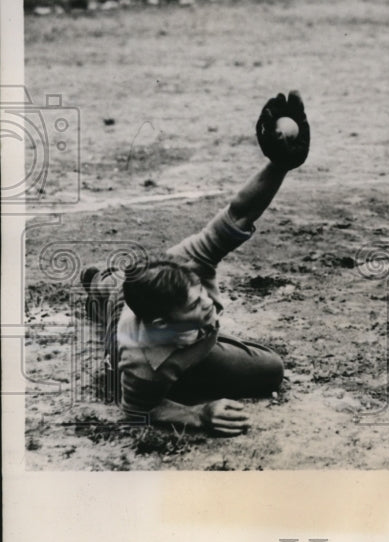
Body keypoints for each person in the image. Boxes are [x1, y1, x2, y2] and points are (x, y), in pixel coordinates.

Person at [81, 91, 311, 436]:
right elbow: (135, 412)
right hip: (133, 336)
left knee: (269, 371)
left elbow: (238, 213)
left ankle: (106, 280)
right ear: (162, 322)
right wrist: (197, 415)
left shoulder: (185, 265)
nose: (207, 301)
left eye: (199, 293)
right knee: (112, 306)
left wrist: (279, 164)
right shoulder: (145, 362)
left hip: (153, 313)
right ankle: (102, 287)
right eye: (194, 302)